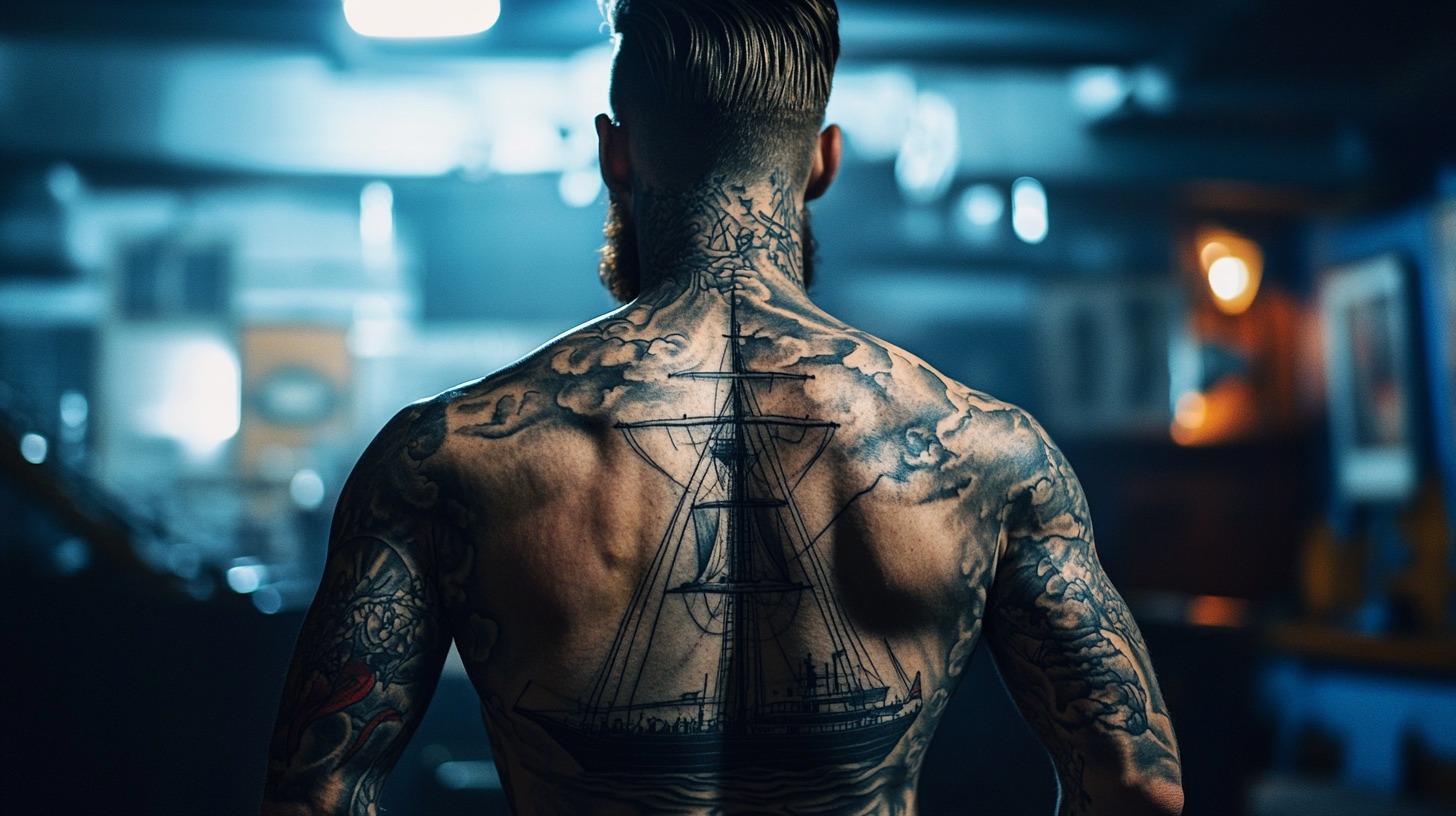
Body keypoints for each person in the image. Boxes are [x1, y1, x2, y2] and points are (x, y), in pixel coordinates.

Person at [260, 1, 1184, 813]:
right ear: (824, 161)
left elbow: (318, 793)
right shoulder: (990, 454)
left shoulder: (443, 456)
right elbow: (1138, 785)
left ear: (613, 154)